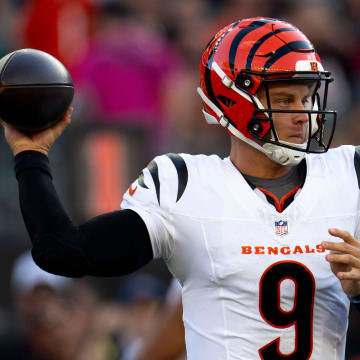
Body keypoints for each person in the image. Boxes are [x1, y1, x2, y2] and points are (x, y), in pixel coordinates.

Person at [2, 17, 360, 359]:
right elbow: (64, 252)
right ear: (231, 98)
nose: (303, 113)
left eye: (307, 97)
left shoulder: (350, 174)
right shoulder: (184, 185)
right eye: (284, 100)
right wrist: (31, 155)